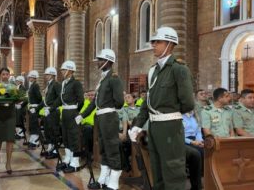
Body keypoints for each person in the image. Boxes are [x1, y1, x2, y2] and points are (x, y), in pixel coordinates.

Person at [128, 26, 195, 190]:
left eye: (157, 41)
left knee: (173, 172)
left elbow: (188, 104)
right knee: (157, 171)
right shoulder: (153, 71)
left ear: (170, 44)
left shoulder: (179, 70)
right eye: (153, 42)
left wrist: (169, 113)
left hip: (170, 127)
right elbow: (147, 103)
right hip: (154, 127)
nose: (154, 45)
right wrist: (137, 125)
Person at [78, 49, 124, 190]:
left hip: (109, 118)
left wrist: (108, 109)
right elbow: (94, 103)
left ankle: (114, 181)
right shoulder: (103, 79)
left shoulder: (114, 78)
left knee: (112, 148)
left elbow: (120, 102)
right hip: (101, 118)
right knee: (103, 148)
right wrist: (82, 115)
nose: (97, 62)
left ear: (108, 61)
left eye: (100, 60)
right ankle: (104, 178)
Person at [51, 60, 84, 173]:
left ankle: (75, 162)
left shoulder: (76, 83)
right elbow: (60, 99)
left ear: (70, 70)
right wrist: (51, 109)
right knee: (65, 136)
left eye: (64, 70)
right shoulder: (64, 83)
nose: (62, 72)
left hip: (72, 112)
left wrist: (76, 112)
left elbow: (81, 100)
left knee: (74, 137)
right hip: (64, 113)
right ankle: (67, 159)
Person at [0, 67, 18, 174]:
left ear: (9, 75)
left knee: (10, 139)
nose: (5, 76)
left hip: (10, 115)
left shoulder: (13, 86)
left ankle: (8, 163)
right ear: (0, 75)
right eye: (3, 74)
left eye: (7, 74)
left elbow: (17, 98)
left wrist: (19, 99)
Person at [35, 67, 61, 159]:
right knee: (47, 131)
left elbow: (59, 98)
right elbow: (45, 100)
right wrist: (37, 109)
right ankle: (50, 148)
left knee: (54, 131)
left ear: (52, 75)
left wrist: (51, 108)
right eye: (46, 75)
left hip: (53, 112)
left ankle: (55, 151)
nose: (46, 76)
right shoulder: (49, 85)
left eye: (47, 74)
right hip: (47, 111)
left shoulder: (56, 84)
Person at [27, 70, 43, 148]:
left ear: (34, 78)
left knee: (35, 124)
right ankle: (32, 139)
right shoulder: (32, 85)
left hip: (35, 107)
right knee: (32, 124)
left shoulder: (35, 85)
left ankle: (36, 141)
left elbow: (39, 97)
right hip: (32, 107)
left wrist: (36, 106)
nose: (29, 78)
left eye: (30, 77)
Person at [14, 76, 28, 140]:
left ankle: (21, 133)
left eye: (17, 81)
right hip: (17, 106)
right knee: (16, 120)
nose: (16, 82)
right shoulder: (17, 87)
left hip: (21, 107)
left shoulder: (22, 88)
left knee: (19, 120)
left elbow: (24, 98)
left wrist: (20, 104)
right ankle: (18, 133)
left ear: (20, 81)